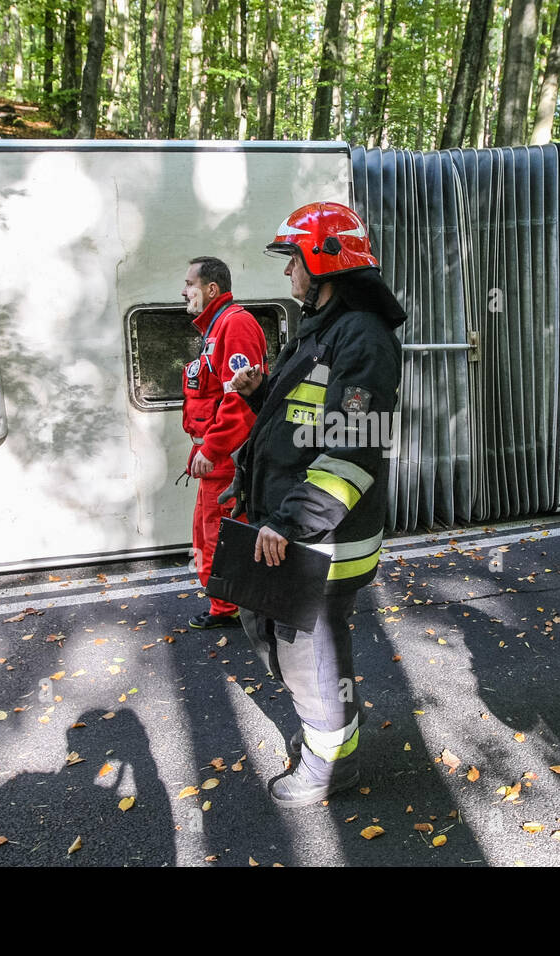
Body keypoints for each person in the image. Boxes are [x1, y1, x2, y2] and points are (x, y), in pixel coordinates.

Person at [225, 201, 405, 808]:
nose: (287, 275)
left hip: (322, 537)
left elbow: (353, 449)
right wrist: (260, 401)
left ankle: (330, 768)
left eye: (291, 261)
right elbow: (301, 427)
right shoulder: (323, 331)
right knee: (289, 643)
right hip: (296, 527)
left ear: (321, 264)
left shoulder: (364, 339)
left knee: (313, 656)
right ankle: (329, 744)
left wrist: (290, 521)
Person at [179, 256, 268, 629]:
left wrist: (212, 448)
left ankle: (236, 607)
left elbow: (241, 400)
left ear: (211, 289)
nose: (184, 291)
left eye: (190, 284)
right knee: (206, 534)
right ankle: (225, 605)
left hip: (226, 459)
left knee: (222, 536)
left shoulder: (236, 325)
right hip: (212, 456)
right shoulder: (215, 329)